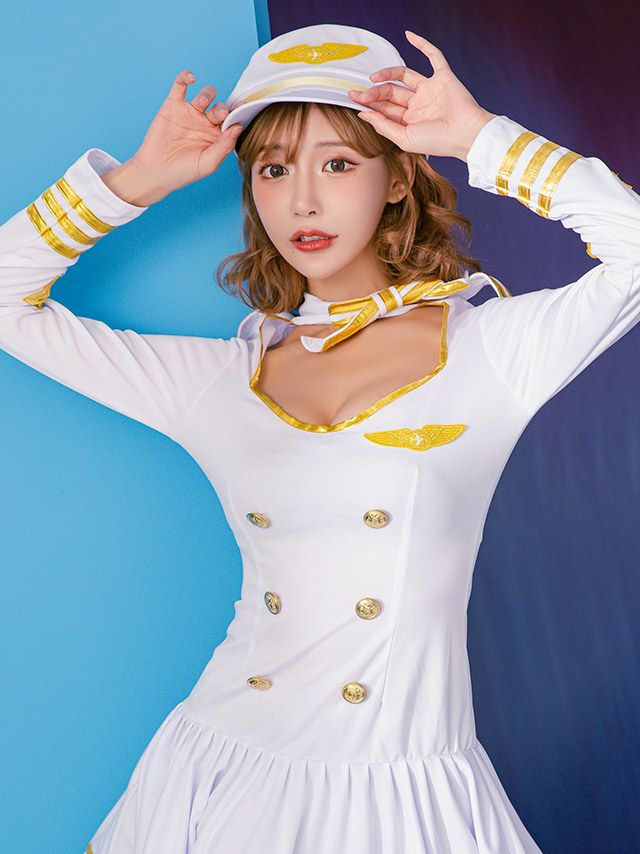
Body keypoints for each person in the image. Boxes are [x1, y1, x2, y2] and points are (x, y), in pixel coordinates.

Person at [1, 20, 638, 854]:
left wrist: (481, 138)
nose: (302, 201)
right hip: (223, 760)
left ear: (398, 178)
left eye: (338, 164)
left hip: (400, 784)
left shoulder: (493, 350)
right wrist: (137, 180)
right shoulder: (219, 380)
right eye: (274, 169)